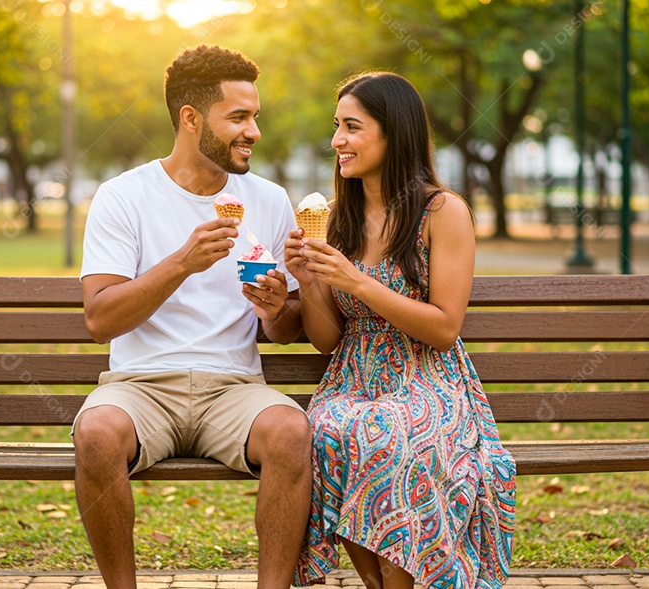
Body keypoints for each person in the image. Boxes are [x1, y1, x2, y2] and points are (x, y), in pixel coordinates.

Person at [73, 45, 311, 589]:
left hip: (234, 387)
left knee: (292, 431)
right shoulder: (123, 197)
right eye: (239, 117)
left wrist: (277, 310)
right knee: (96, 432)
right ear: (191, 118)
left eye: (255, 117)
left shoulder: (269, 199)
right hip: (140, 385)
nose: (253, 131)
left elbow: (289, 327)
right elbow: (100, 318)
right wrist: (182, 263)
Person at [286, 72, 517, 589]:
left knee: (390, 437)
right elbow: (327, 339)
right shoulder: (338, 218)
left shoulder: (443, 211)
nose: (336, 141)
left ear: (393, 134)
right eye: (335, 126)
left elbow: (443, 327)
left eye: (351, 127)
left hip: (427, 379)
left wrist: (356, 282)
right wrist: (311, 282)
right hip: (352, 379)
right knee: (320, 434)